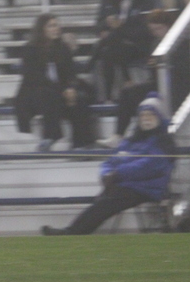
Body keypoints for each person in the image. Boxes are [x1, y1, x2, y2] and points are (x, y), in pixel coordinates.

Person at [42, 92, 176, 235]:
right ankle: (75, 231)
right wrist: (107, 174)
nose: (146, 119)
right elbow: (111, 161)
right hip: (127, 183)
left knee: (106, 202)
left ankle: (73, 232)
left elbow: (150, 166)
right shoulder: (132, 140)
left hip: (147, 187)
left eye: (150, 115)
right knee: (104, 200)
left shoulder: (163, 141)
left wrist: (118, 173)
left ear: (159, 117)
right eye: (143, 115)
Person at [97, 9, 190, 149]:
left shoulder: (182, 43)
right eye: (153, 29)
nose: (156, 32)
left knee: (141, 100)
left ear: (168, 26)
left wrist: (162, 64)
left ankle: (137, 138)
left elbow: (184, 72)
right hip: (159, 84)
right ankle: (118, 135)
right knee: (127, 93)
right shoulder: (155, 44)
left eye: (159, 28)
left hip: (176, 87)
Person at [14, 13, 95, 152]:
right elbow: (33, 78)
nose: (56, 28)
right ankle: (50, 136)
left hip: (58, 94)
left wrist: (70, 89)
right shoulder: (30, 49)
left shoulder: (63, 48)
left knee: (79, 100)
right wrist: (62, 91)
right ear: (42, 29)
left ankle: (80, 145)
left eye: (57, 25)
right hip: (35, 94)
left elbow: (70, 74)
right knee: (48, 94)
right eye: (51, 25)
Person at [90, 0, 154, 103]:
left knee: (110, 44)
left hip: (137, 44)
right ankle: (122, 85)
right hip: (114, 44)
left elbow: (144, 28)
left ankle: (109, 95)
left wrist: (119, 27)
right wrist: (106, 24)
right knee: (110, 48)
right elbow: (98, 25)